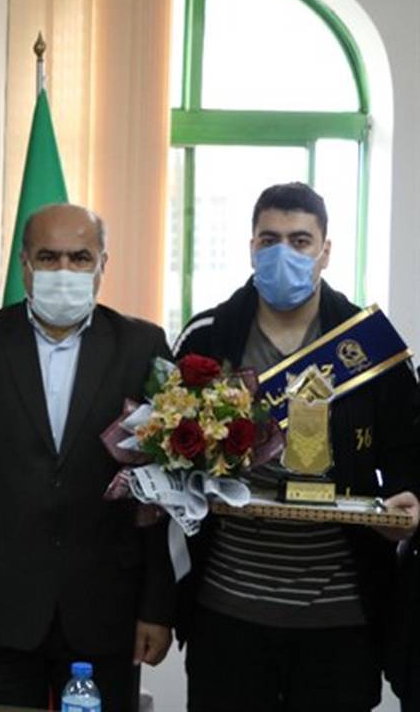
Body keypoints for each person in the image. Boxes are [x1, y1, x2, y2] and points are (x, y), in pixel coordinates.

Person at [174, 182, 420, 712]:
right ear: (251, 247)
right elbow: (168, 450)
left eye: (300, 241)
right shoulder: (208, 337)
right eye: (269, 240)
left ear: (325, 251)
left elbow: (409, 445)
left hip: (341, 614)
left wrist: (406, 497)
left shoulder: (369, 342)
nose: (283, 253)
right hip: (227, 608)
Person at [0, 203, 175, 712]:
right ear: (24, 265)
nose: (64, 271)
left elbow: (162, 491)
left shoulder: (141, 345)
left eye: (80, 258)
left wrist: (156, 606)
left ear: (103, 264)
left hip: (107, 605)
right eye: (48, 257)